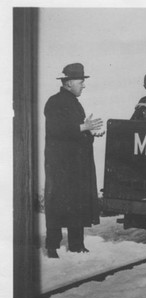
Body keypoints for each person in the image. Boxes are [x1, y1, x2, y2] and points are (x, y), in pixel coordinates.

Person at [44, 63, 103, 258]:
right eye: (80, 82)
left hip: (75, 164)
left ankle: (77, 244)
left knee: (76, 202)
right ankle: (52, 246)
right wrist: (82, 128)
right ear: (68, 83)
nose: (83, 86)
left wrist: (91, 132)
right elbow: (55, 129)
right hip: (60, 165)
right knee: (58, 202)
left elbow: (78, 130)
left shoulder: (73, 101)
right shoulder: (55, 102)